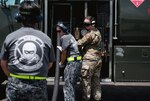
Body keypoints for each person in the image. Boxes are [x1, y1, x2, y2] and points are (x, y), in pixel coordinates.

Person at [0, 1, 55, 101]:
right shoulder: (46, 39)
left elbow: (3, 62)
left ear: (18, 17)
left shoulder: (10, 37)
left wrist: (12, 78)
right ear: (38, 18)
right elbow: (50, 63)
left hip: (15, 85)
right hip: (38, 87)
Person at [77, 16, 103, 101]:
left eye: (87, 24)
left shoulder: (90, 34)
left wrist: (74, 40)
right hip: (97, 59)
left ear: (93, 24)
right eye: (84, 24)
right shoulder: (98, 32)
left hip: (89, 60)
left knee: (86, 82)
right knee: (96, 81)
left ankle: (86, 98)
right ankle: (97, 98)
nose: (85, 26)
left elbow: (80, 43)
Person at [56, 22, 82, 101]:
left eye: (59, 31)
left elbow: (64, 52)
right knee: (71, 84)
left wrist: (61, 63)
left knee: (68, 85)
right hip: (76, 62)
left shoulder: (65, 37)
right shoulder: (70, 36)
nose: (58, 34)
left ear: (64, 30)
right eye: (57, 32)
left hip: (72, 63)